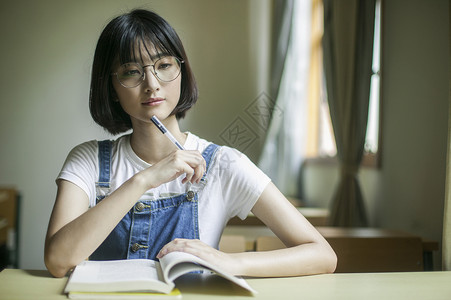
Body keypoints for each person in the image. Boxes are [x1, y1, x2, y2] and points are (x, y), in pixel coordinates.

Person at [44, 9, 336, 278]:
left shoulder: (223, 164)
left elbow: (322, 255)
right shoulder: (88, 160)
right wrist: (144, 180)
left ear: (182, 71)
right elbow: (58, 261)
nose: (151, 83)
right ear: (111, 87)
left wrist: (232, 262)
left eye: (164, 65)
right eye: (132, 71)